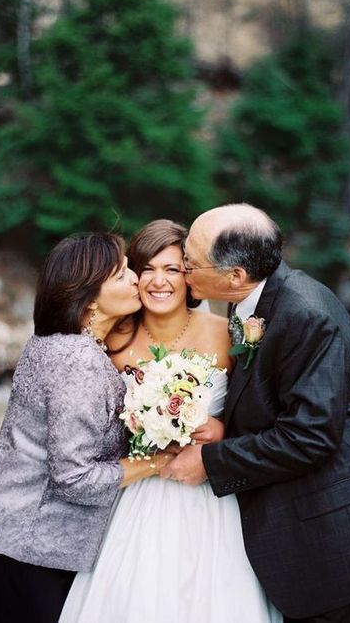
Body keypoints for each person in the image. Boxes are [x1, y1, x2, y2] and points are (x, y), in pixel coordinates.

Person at [161, 204, 350, 623]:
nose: (182, 272)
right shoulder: (251, 300)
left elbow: (309, 437)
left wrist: (210, 461)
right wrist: (222, 426)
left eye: (189, 263)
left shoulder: (306, 315)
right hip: (312, 530)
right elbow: (270, 398)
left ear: (235, 275)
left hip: (339, 549)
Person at [58, 219, 281, 623]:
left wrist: (223, 430)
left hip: (213, 494)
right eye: (147, 269)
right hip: (140, 495)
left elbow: (261, 415)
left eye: (173, 269)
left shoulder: (228, 334)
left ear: (190, 277)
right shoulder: (113, 343)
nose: (158, 281)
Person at [0, 233, 174, 623]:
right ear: (90, 298)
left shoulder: (52, 342)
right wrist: (157, 462)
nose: (136, 279)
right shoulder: (79, 362)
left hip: (2, 533)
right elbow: (73, 477)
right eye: (122, 274)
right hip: (30, 548)